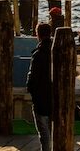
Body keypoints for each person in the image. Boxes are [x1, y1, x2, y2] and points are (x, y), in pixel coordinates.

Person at [26, 22, 54, 151]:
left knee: (44, 133)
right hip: (56, 97)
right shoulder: (57, 52)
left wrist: (30, 90)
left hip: (41, 99)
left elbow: (32, 78)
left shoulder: (38, 54)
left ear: (38, 35)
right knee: (54, 129)